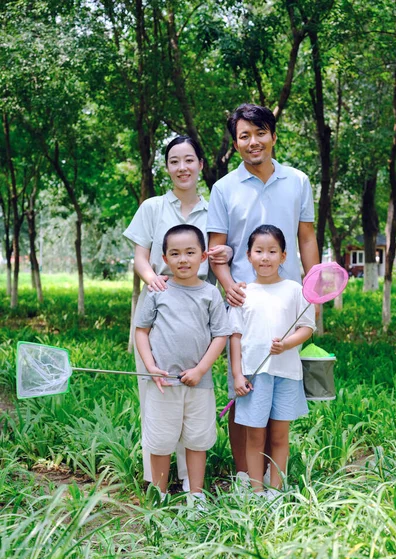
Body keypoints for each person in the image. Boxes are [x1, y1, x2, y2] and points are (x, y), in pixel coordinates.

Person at [206, 103, 320, 478]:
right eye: (244, 136)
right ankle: (244, 476)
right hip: (245, 305)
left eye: (260, 133)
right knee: (243, 391)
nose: (253, 142)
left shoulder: (298, 181)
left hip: (287, 305)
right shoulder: (223, 188)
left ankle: (274, 479)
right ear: (235, 143)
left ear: (272, 135)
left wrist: (314, 291)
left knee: (280, 389)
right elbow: (217, 248)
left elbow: (306, 237)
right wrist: (228, 287)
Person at [123, 136, 231, 488]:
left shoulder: (216, 206)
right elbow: (141, 256)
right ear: (166, 167)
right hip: (160, 304)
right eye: (174, 161)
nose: (182, 167)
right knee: (158, 399)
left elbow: (220, 253)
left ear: (201, 163)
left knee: (194, 398)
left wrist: (226, 257)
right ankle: (157, 484)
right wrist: (153, 279)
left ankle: (191, 485)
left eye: (189, 160)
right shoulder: (152, 207)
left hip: (199, 306)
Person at [134, 224, 230, 502]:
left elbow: (220, 335)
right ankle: (160, 494)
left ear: (203, 256)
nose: (183, 259)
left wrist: (201, 370)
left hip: (199, 384)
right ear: (165, 259)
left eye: (190, 252)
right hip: (163, 384)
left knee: (197, 440)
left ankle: (196, 496)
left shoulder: (211, 293)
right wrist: (151, 366)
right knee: (161, 441)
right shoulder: (158, 290)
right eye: (175, 253)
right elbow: (142, 331)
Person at [228, 225, 315, 497]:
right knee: (255, 436)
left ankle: (275, 490)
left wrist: (287, 344)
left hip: (287, 373)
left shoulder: (295, 290)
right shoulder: (242, 294)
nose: (265, 257)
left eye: (272, 251)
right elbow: (234, 337)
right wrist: (237, 375)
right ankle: (255, 491)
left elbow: (307, 327)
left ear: (284, 256)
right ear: (249, 255)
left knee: (279, 436)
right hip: (254, 375)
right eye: (259, 251)